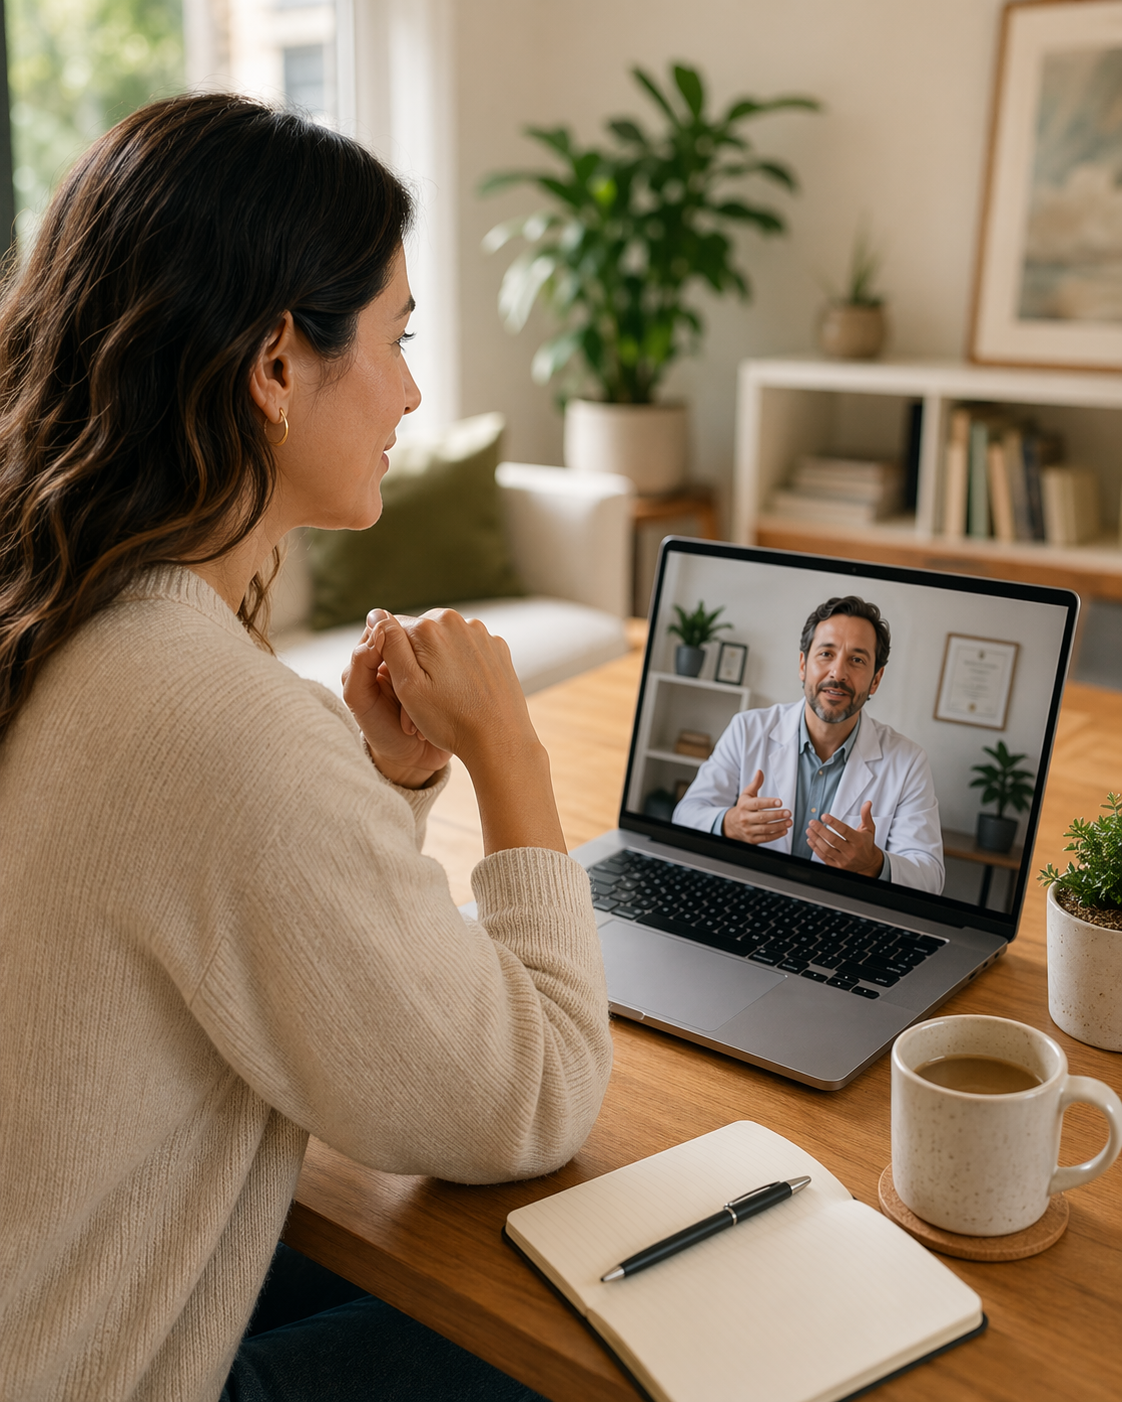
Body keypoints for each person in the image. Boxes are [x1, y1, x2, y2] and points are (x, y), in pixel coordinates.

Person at [0, 95, 612, 1402]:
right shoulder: (218, 724)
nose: (412, 389)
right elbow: (534, 1094)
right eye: (396, 337)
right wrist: (511, 759)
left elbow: (265, 933)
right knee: (602, 1338)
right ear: (276, 365)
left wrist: (387, 777)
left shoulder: (61, 608)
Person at [673, 596, 943, 893]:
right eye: (826, 653)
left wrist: (875, 864)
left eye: (857, 660)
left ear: (876, 680)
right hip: (746, 897)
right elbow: (685, 815)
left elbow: (930, 877)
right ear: (803, 665)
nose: (838, 673)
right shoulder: (747, 729)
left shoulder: (908, 762)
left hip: (841, 910)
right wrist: (729, 824)